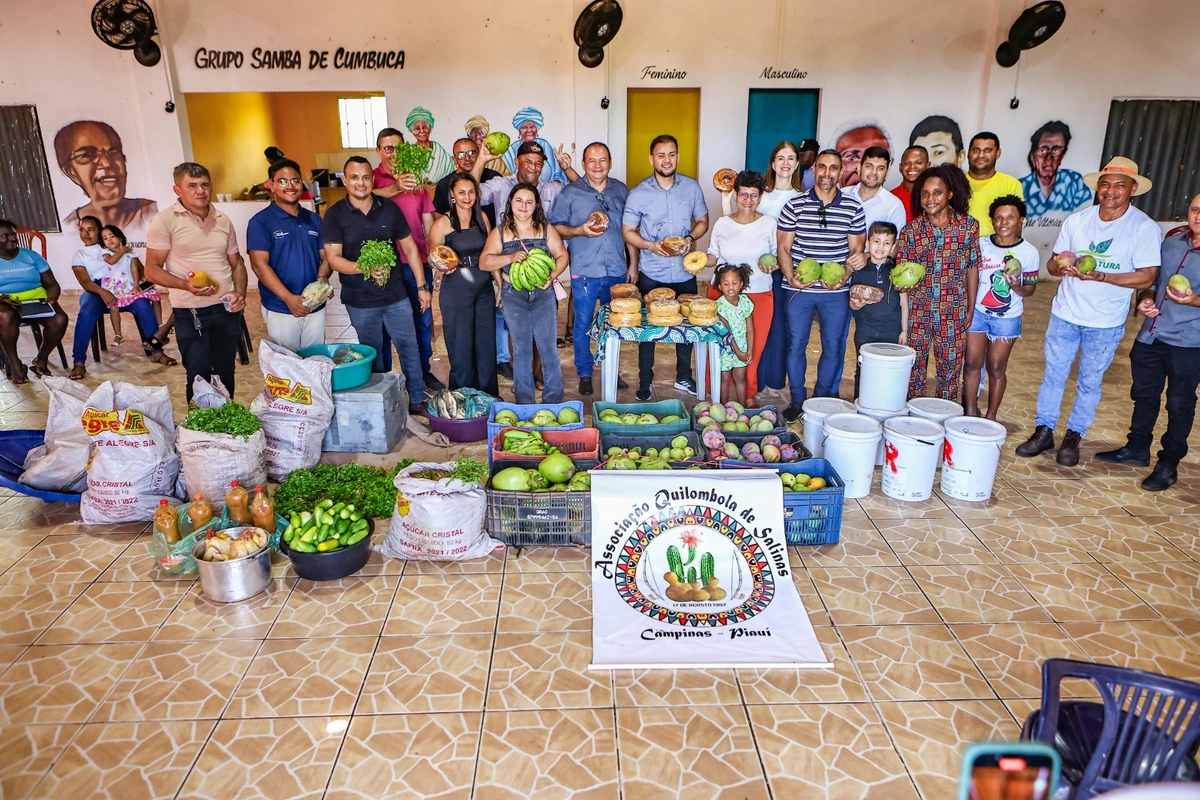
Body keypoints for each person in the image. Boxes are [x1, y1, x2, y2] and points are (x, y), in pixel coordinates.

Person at [1016, 157, 1160, 467]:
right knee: (1053, 376)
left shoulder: (1143, 228)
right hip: (1065, 313)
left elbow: (1147, 276)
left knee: (1089, 383)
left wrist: (1103, 276)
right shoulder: (1077, 220)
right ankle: (1044, 432)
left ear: (1133, 189)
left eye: (1119, 185)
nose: (1110, 191)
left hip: (1105, 321)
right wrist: (1062, 265)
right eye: (1105, 184)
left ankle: (1073, 437)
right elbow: (1052, 265)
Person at [1099, 193, 1200, 491]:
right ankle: (1136, 449)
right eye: (1195, 209)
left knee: (1180, 404)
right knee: (1143, 395)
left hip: (1189, 344)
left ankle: (1168, 464)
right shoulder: (1171, 241)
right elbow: (1152, 282)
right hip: (1151, 336)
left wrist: (1195, 300)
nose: (1198, 216)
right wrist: (1144, 299)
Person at [322, 156, 428, 415]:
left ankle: (417, 398)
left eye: (366, 177)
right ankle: (381, 401)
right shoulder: (335, 215)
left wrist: (422, 286)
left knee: (409, 348)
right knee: (372, 353)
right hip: (360, 300)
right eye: (354, 177)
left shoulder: (389, 209)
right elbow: (333, 258)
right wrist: (364, 267)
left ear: (373, 179)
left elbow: (410, 248)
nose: (361, 182)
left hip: (396, 296)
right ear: (345, 180)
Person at [145, 163, 247, 404]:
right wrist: (185, 285)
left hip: (225, 308)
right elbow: (151, 270)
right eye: (192, 185)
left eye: (204, 184)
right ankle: (200, 434)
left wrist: (240, 292)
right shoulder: (165, 221)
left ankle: (225, 423)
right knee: (198, 373)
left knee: (225, 371)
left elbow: (237, 263)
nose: (200, 190)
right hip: (189, 311)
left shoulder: (223, 219)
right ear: (177, 189)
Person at [776, 149, 866, 421]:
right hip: (798, 289)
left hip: (835, 291)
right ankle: (798, 399)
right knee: (795, 344)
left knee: (833, 345)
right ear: (814, 170)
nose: (827, 173)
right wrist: (790, 275)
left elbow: (856, 250)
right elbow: (783, 246)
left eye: (834, 168)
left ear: (841, 172)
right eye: (823, 167)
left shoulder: (853, 207)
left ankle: (824, 397)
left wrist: (846, 274)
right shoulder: (795, 204)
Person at [472, 140, 571, 382]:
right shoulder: (500, 185)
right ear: (517, 162)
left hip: (542, 274)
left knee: (545, 337)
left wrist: (567, 168)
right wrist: (482, 160)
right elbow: (470, 192)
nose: (533, 167)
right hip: (508, 273)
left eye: (538, 163)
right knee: (517, 334)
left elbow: (581, 192)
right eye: (528, 161)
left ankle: (538, 376)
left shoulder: (553, 188)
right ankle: (522, 378)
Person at [622, 134, 710, 400]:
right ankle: (645, 381)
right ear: (651, 159)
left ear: (678, 157)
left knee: (686, 327)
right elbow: (627, 231)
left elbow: (703, 221)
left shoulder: (692, 188)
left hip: (684, 272)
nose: (667, 160)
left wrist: (691, 239)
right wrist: (650, 246)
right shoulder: (638, 194)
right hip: (653, 273)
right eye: (661, 155)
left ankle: (684, 376)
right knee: (648, 331)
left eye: (671, 154)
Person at [549, 142, 635, 396]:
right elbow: (556, 228)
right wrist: (579, 231)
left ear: (610, 162)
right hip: (585, 270)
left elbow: (630, 231)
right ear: (584, 163)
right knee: (583, 324)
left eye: (603, 160)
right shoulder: (570, 193)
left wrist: (633, 264)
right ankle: (585, 373)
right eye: (592, 160)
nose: (597, 166)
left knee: (614, 324)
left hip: (616, 269)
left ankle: (611, 368)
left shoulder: (621, 191)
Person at [896, 164, 980, 401]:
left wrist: (971, 306)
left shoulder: (967, 227)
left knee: (950, 371)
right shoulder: (911, 231)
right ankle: (913, 418)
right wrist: (903, 285)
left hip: (952, 310)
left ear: (950, 193)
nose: (930, 198)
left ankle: (944, 419)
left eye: (937, 192)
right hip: (918, 312)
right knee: (914, 369)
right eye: (925, 193)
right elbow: (903, 273)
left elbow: (973, 266)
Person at [480, 182, 569, 404]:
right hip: (514, 294)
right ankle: (524, 401)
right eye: (519, 200)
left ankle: (553, 399)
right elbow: (484, 262)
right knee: (521, 351)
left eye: (529, 201)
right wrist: (509, 258)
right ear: (510, 203)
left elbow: (562, 256)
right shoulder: (500, 232)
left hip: (543, 294)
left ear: (536, 205)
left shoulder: (546, 229)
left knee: (548, 348)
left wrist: (552, 276)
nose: (524, 206)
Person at [374, 128, 443, 392]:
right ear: (379, 150)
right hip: (384, 267)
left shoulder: (419, 183)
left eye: (398, 148)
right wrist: (395, 187)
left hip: (417, 265)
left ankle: (422, 373)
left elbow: (428, 224)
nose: (393, 153)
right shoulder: (371, 179)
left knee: (421, 323)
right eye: (387, 148)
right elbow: (364, 197)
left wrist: (435, 260)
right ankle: (383, 379)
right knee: (383, 326)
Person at [962, 196, 1039, 420]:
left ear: (1020, 221)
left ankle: (991, 417)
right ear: (992, 220)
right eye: (998, 218)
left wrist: (1017, 286)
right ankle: (969, 411)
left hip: (1006, 318)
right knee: (972, 364)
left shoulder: (1029, 252)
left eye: (1010, 217)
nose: (1003, 223)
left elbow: (1030, 290)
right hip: (977, 313)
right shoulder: (981, 245)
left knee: (996, 367)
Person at [704, 170, 776, 400]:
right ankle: (717, 396)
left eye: (754, 195)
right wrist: (697, 261)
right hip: (723, 295)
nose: (748, 200)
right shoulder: (722, 223)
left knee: (753, 347)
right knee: (719, 346)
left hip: (759, 294)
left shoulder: (769, 223)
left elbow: (775, 257)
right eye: (743, 194)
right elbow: (713, 256)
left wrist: (772, 267)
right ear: (735, 195)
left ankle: (749, 396)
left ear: (761, 197)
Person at [70, 216, 171, 378]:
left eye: (91, 229)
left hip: (125, 289)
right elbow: (85, 282)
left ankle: (157, 352)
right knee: (86, 313)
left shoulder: (115, 246)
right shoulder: (80, 255)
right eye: (82, 230)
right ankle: (79, 362)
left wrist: (141, 285)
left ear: (101, 230)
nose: (86, 234)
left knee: (143, 304)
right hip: (96, 291)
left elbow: (139, 269)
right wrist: (103, 292)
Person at [246, 158, 331, 352]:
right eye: (283, 181)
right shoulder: (261, 222)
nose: (290, 186)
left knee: (315, 361)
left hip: (314, 307)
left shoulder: (314, 220)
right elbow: (259, 265)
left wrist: (321, 281)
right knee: (287, 366)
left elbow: (326, 258)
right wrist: (288, 298)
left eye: (295, 180)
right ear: (271, 185)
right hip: (281, 307)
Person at [428, 172, 499, 396]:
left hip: (484, 288)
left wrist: (499, 284)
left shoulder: (483, 219)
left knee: (485, 343)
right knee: (461, 343)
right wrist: (439, 271)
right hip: (456, 289)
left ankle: (487, 395)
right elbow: (435, 257)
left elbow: (491, 254)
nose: (467, 197)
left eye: (471, 192)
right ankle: (464, 395)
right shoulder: (442, 224)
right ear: (452, 195)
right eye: (461, 192)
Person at [751, 142, 805, 400]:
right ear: (772, 163)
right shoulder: (762, 195)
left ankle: (775, 380)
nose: (785, 162)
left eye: (791, 158)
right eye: (780, 158)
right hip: (761, 270)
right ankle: (757, 380)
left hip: (788, 271)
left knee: (782, 327)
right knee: (760, 325)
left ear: (797, 164)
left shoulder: (803, 197)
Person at [54, 120, 158, 243]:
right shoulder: (69, 231)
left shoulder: (153, 214)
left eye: (113, 153)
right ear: (71, 172)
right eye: (87, 155)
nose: (106, 163)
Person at [0, 219, 68, 384]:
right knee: (4, 316)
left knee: (60, 319)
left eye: (13, 235)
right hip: (6, 302)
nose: (12, 239)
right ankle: (14, 362)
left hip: (36, 300)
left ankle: (41, 359)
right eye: (5, 236)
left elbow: (52, 284)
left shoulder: (31, 256)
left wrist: (51, 298)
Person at [848, 222, 907, 396]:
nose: (880, 247)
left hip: (891, 330)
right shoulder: (859, 270)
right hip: (866, 329)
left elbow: (904, 302)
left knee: (888, 368)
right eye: (876, 241)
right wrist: (857, 304)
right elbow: (852, 302)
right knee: (864, 368)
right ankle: (861, 402)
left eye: (886, 243)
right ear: (867, 244)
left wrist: (904, 330)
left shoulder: (897, 271)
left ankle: (885, 401)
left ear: (893, 247)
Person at [98, 224, 167, 354]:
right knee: (114, 307)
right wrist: (122, 251)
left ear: (120, 237)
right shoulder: (105, 253)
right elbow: (112, 261)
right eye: (105, 238)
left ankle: (159, 325)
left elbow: (135, 269)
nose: (109, 240)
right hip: (114, 287)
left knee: (153, 297)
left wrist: (136, 285)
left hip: (129, 284)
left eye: (112, 236)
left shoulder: (130, 253)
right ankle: (118, 334)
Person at [1020, 121, 1094, 217]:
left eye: (1055, 150)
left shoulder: (1075, 182)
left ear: (1062, 156)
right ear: (1033, 157)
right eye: (1043, 150)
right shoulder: (1019, 186)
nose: (1049, 158)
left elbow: (1086, 217)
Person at [966, 133, 1024, 236]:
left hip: (995, 248)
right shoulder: (955, 182)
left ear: (998, 153)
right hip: (959, 247)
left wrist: (1012, 251)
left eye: (987, 150)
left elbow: (1017, 226)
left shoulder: (1011, 184)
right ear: (968, 153)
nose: (981, 155)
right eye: (976, 150)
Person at [714, 263, 755, 405]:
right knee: (724, 379)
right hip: (725, 348)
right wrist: (738, 352)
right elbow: (727, 333)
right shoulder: (719, 306)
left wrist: (748, 351)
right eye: (726, 284)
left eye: (734, 283)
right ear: (720, 286)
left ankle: (742, 409)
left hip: (742, 347)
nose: (730, 287)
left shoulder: (745, 302)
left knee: (740, 378)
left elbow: (750, 329)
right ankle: (724, 410)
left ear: (741, 284)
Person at [435, 138, 502, 225]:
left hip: (491, 233)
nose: (467, 158)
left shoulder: (494, 177)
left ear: (479, 154)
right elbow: (438, 218)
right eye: (461, 155)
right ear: (454, 159)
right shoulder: (444, 184)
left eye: (472, 153)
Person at [845, 146, 907, 236]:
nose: (874, 172)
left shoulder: (894, 205)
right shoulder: (842, 195)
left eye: (880, 168)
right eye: (869, 166)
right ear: (859, 168)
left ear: (887, 173)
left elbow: (896, 244)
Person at [501, 107, 571, 185]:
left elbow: (557, 173)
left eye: (532, 127)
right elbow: (506, 177)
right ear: (519, 131)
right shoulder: (510, 150)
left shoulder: (544, 144)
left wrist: (552, 188)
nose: (529, 130)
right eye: (524, 127)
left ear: (537, 130)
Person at [833, 120, 892, 188]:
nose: (862, 170)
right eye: (851, 158)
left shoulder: (891, 199)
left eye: (880, 167)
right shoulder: (836, 197)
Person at [404, 107, 453, 184]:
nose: (422, 131)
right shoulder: (409, 153)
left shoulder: (438, 150)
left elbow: (451, 173)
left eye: (425, 127)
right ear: (412, 131)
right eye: (417, 128)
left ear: (430, 128)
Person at [893, 146, 930, 224]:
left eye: (918, 163)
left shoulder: (935, 197)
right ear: (900, 167)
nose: (912, 167)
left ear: (928, 166)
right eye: (907, 163)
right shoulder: (891, 197)